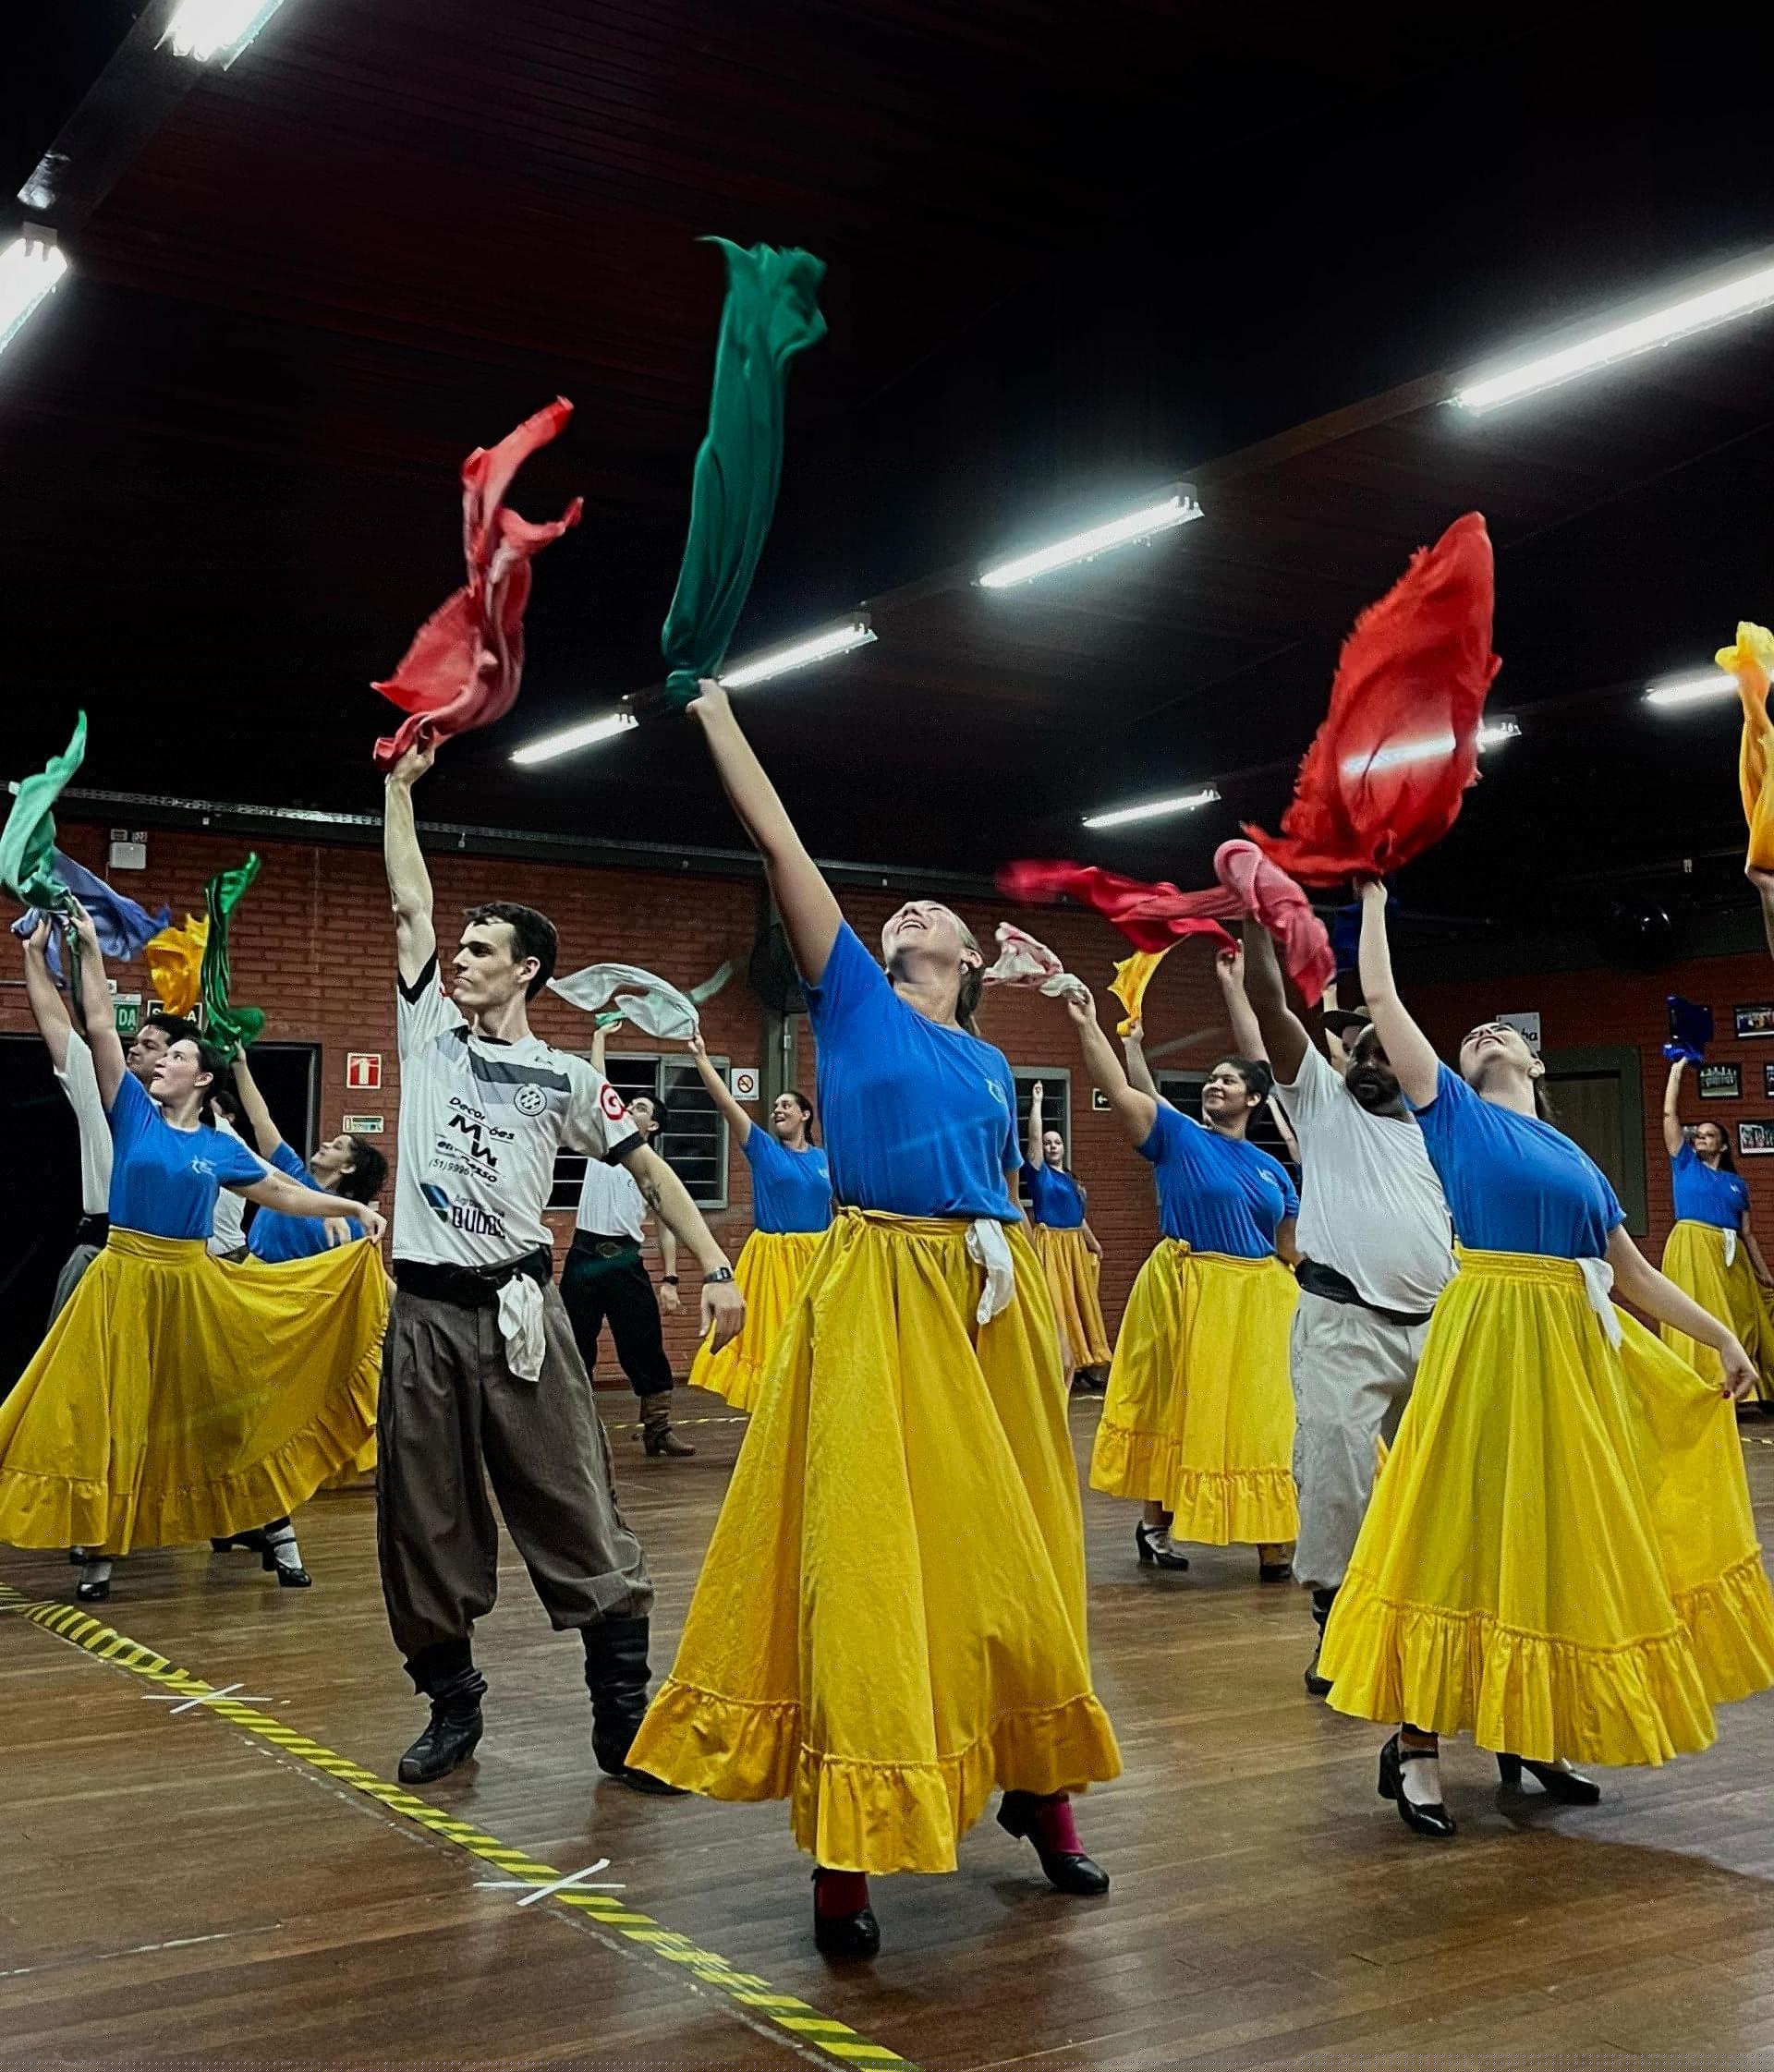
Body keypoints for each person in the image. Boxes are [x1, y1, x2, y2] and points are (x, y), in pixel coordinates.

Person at [628, 679, 1120, 1960]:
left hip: (984, 1299)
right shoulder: (848, 994)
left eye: (932, 914)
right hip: (878, 1288)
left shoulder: (993, 1061)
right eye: (897, 910)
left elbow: (998, 1179)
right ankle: (847, 1847)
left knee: (1017, 1548)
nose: (907, 913)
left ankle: (1038, 1784)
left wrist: (1008, 1253)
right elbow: (781, 839)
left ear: (971, 959)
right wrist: (719, 714)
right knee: (868, 1555)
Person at [1319, 882, 1774, 1838]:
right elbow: (1386, 999)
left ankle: (1530, 1728)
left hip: (1566, 1354)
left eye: (1502, 1032)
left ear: (1536, 1058)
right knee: (1455, 1524)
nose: (1484, 1032)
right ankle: (1415, 1743)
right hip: (1488, 1336)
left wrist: (1724, 1335)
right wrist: (1376, 902)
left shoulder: (1577, 1158)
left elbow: (1633, 1273)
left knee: (1555, 1533)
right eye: (1471, 1034)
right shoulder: (1451, 1112)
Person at [379, 740, 743, 1789]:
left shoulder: (564, 1079)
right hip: (424, 1314)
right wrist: (398, 790)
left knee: (574, 1495)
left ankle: (621, 1720)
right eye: (461, 948)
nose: (461, 959)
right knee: (424, 1517)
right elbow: (410, 905)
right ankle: (453, 1705)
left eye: (482, 950)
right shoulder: (429, 1032)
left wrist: (715, 1261)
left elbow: (650, 1168)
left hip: (521, 1311)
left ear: (527, 969)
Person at [0, 907, 390, 1603]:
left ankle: (264, 1524)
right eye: (162, 1055)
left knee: (210, 1412)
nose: (162, 1060)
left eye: (177, 1056)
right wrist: (83, 949)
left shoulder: (219, 1146)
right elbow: (96, 1025)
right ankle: (100, 1550)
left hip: (190, 1285)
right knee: (109, 1414)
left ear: (203, 1079)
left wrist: (351, 1208)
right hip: (121, 1279)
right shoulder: (132, 1111)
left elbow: (281, 1191)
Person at [1231, 918, 1454, 1697]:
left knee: (1447, 1479)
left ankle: (1438, 1621)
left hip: (1437, 1328)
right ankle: (1338, 1624)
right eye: (1356, 1050)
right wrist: (1255, 921)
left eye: (1380, 1051)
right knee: (1336, 1479)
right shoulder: (1325, 1105)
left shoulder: (1440, 1133)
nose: (1364, 1060)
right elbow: (1269, 1005)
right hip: (1342, 1323)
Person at [1069, 976, 1300, 1581]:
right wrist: (1095, 1027)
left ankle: (1273, 1534)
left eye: (1228, 1079)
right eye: (1211, 1079)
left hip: (1261, 1301)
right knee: (1181, 1406)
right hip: (1191, 1291)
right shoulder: (1179, 1138)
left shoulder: (1272, 1169)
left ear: (1253, 1098)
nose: (1214, 1084)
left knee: (1265, 1415)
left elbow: (1289, 1248)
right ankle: (1155, 1521)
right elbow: (1122, 1090)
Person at [19, 926, 202, 1325]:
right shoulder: (100, 1087)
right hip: (100, 1250)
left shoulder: (209, 1129)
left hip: (164, 1268)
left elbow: (271, 1179)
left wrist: (331, 1208)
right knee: (70, 1363)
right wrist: (33, 955)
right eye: (136, 1041)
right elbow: (56, 1024)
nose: (134, 1049)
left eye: (150, 1046)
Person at [559, 1024, 696, 1458]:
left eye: (638, 1107)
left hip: (624, 1259)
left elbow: (667, 1224)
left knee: (644, 1345)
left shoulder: (653, 1167)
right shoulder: (602, 1142)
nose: (627, 1107)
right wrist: (598, 1039)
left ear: (652, 1124)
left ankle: (658, 1429)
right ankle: (574, 1433)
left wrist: (670, 1279)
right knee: (574, 1344)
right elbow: (599, 1085)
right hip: (584, 1254)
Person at [681, 1030, 831, 1412]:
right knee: (773, 1339)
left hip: (818, 1257)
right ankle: (773, 1420)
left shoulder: (824, 1160)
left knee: (820, 1340)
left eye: (787, 1105)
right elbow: (727, 1103)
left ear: (805, 1114)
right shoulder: (763, 1149)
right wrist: (701, 1058)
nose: (778, 1109)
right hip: (774, 1260)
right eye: (775, 1106)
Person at [1659, 1056, 1774, 1411]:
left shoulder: (1736, 1184)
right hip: (1692, 1244)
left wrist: (1763, 1273)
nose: (1701, 1138)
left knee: (1742, 1316)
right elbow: (1669, 1116)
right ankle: (1704, 1385)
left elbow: (1748, 1234)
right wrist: (1676, 1070)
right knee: (1697, 1311)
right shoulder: (1684, 1163)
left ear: (1723, 1146)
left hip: (1731, 1254)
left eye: (1710, 1135)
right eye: (1699, 1134)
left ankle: (1741, 1384)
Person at [1021, 1080, 1112, 1391]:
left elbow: (1077, 1216)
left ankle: (1076, 1367)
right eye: (1047, 1143)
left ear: (1063, 1147)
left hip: (1074, 1246)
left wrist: (1093, 1243)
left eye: (1056, 1142)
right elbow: (1034, 1138)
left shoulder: (1071, 1179)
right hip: (1052, 1246)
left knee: (1077, 1307)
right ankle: (1055, 1370)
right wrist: (1037, 1104)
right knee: (1056, 1306)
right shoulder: (1039, 1174)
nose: (1051, 1146)